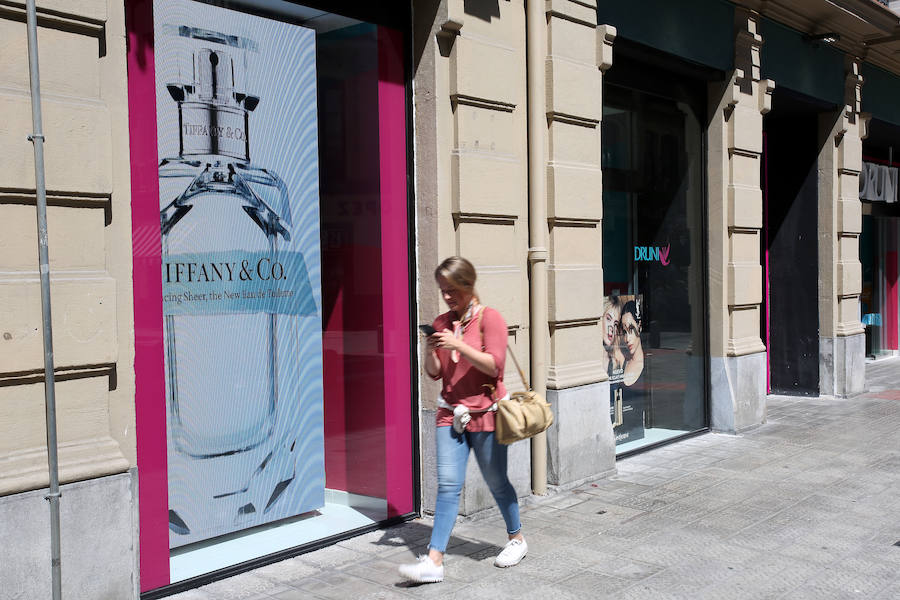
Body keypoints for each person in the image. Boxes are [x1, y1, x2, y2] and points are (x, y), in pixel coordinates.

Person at [398, 256, 526, 584]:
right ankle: (434, 560)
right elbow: (435, 373)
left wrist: (456, 343)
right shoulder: (442, 322)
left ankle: (517, 539)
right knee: (448, 486)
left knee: (496, 480)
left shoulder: (489, 318)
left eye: (453, 290)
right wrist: (430, 349)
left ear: (469, 285)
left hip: (486, 414)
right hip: (449, 414)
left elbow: (494, 366)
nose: (447, 297)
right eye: (443, 291)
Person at [621, 298, 644, 386]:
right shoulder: (622, 364)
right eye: (624, 332)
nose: (627, 338)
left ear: (639, 326)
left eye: (631, 329)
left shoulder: (648, 367)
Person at [602, 295, 625, 378]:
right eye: (608, 319)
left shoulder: (618, 361)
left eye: (616, 323)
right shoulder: (589, 359)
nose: (612, 327)